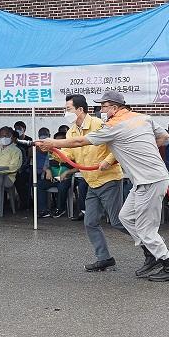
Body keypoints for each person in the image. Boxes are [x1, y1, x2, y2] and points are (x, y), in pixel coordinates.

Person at [38, 91, 169, 282]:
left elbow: (81, 141)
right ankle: (151, 253)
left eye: (104, 106)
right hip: (140, 180)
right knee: (125, 217)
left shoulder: (113, 125)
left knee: (145, 229)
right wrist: (140, 148)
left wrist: (53, 142)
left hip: (149, 180)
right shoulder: (143, 118)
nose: (101, 110)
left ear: (114, 107)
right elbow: (163, 137)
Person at [60, 94, 128, 271]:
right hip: (92, 182)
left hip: (109, 179)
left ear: (80, 109)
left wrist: (109, 160)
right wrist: (53, 150)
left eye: (68, 109)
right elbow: (68, 155)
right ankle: (104, 258)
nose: (65, 112)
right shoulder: (71, 132)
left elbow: (117, 144)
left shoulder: (99, 124)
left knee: (118, 222)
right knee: (90, 222)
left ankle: (153, 247)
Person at [36, 132, 76, 218]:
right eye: (56, 141)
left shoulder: (72, 152)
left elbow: (78, 167)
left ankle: (60, 209)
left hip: (66, 179)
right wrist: (48, 170)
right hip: (54, 179)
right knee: (39, 184)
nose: (58, 144)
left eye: (60, 141)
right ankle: (43, 210)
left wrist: (67, 172)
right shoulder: (51, 152)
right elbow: (45, 166)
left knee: (62, 187)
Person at [14, 120, 33, 207]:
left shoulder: (29, 140)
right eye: (16, 128)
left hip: (25, 166)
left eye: (19, 128)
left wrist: (23, 167)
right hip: (14, 164)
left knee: (21, 178)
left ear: (24, 129)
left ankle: (27, 202)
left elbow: (29, 156)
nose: (17, 130)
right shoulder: (14, 140)